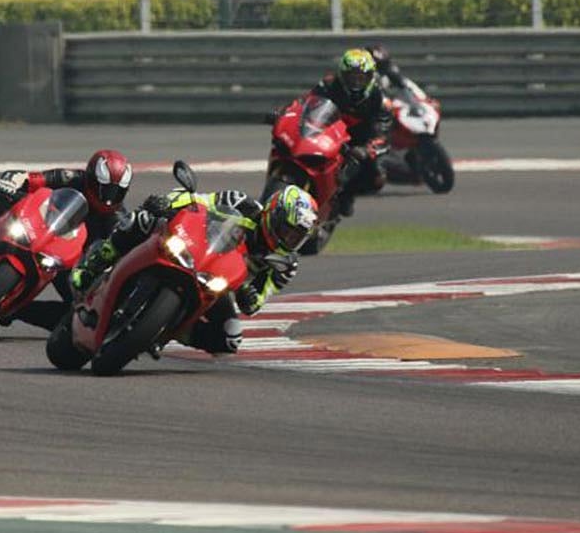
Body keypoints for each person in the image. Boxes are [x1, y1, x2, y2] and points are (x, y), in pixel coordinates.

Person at [69, 185, 319, 355]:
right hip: (191, 246)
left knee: (230, 338)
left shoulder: (284, 265)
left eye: (296, 237)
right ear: (273, 213)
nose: (288, 238)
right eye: (286, 229)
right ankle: (96, 263)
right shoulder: (241, 203)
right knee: (142, 220)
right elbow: (197, 200)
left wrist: (249, 296)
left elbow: (257, 302)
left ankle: (170, 331)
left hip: (217, 284)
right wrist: (167, 203)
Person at [0, 149, 133, 328]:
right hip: (34, 225)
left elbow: (121, 250)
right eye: (104, 189)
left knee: (77, 312)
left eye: (116, 192)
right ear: (90, 178)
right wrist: (11, 182)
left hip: (63, 260)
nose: (108, 198)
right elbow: (28, 177)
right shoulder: (71, 178)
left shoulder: (117, 220)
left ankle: (18, 311)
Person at [306, 48, 393, 216]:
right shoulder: (328, 86)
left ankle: (346, 195)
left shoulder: (380, 99)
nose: (356, 82)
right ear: (342, 75)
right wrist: (287, 113)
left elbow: (383, 134)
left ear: (370, 77)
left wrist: (366, 150)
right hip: (326, 134)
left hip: (359, 143)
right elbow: (306, 105)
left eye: (361, 78)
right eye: (351, 77)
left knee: (376, 178)